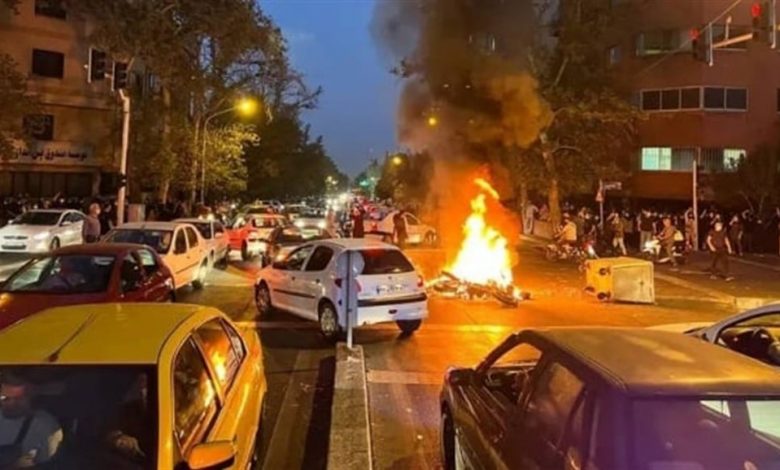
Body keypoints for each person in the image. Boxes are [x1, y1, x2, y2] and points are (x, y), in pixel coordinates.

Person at [0, 375, 63, 468]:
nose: (11, 403)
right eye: (5, 398)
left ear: (31, 397)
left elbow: (47, 463)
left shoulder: (45, 425)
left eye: (19, 399)